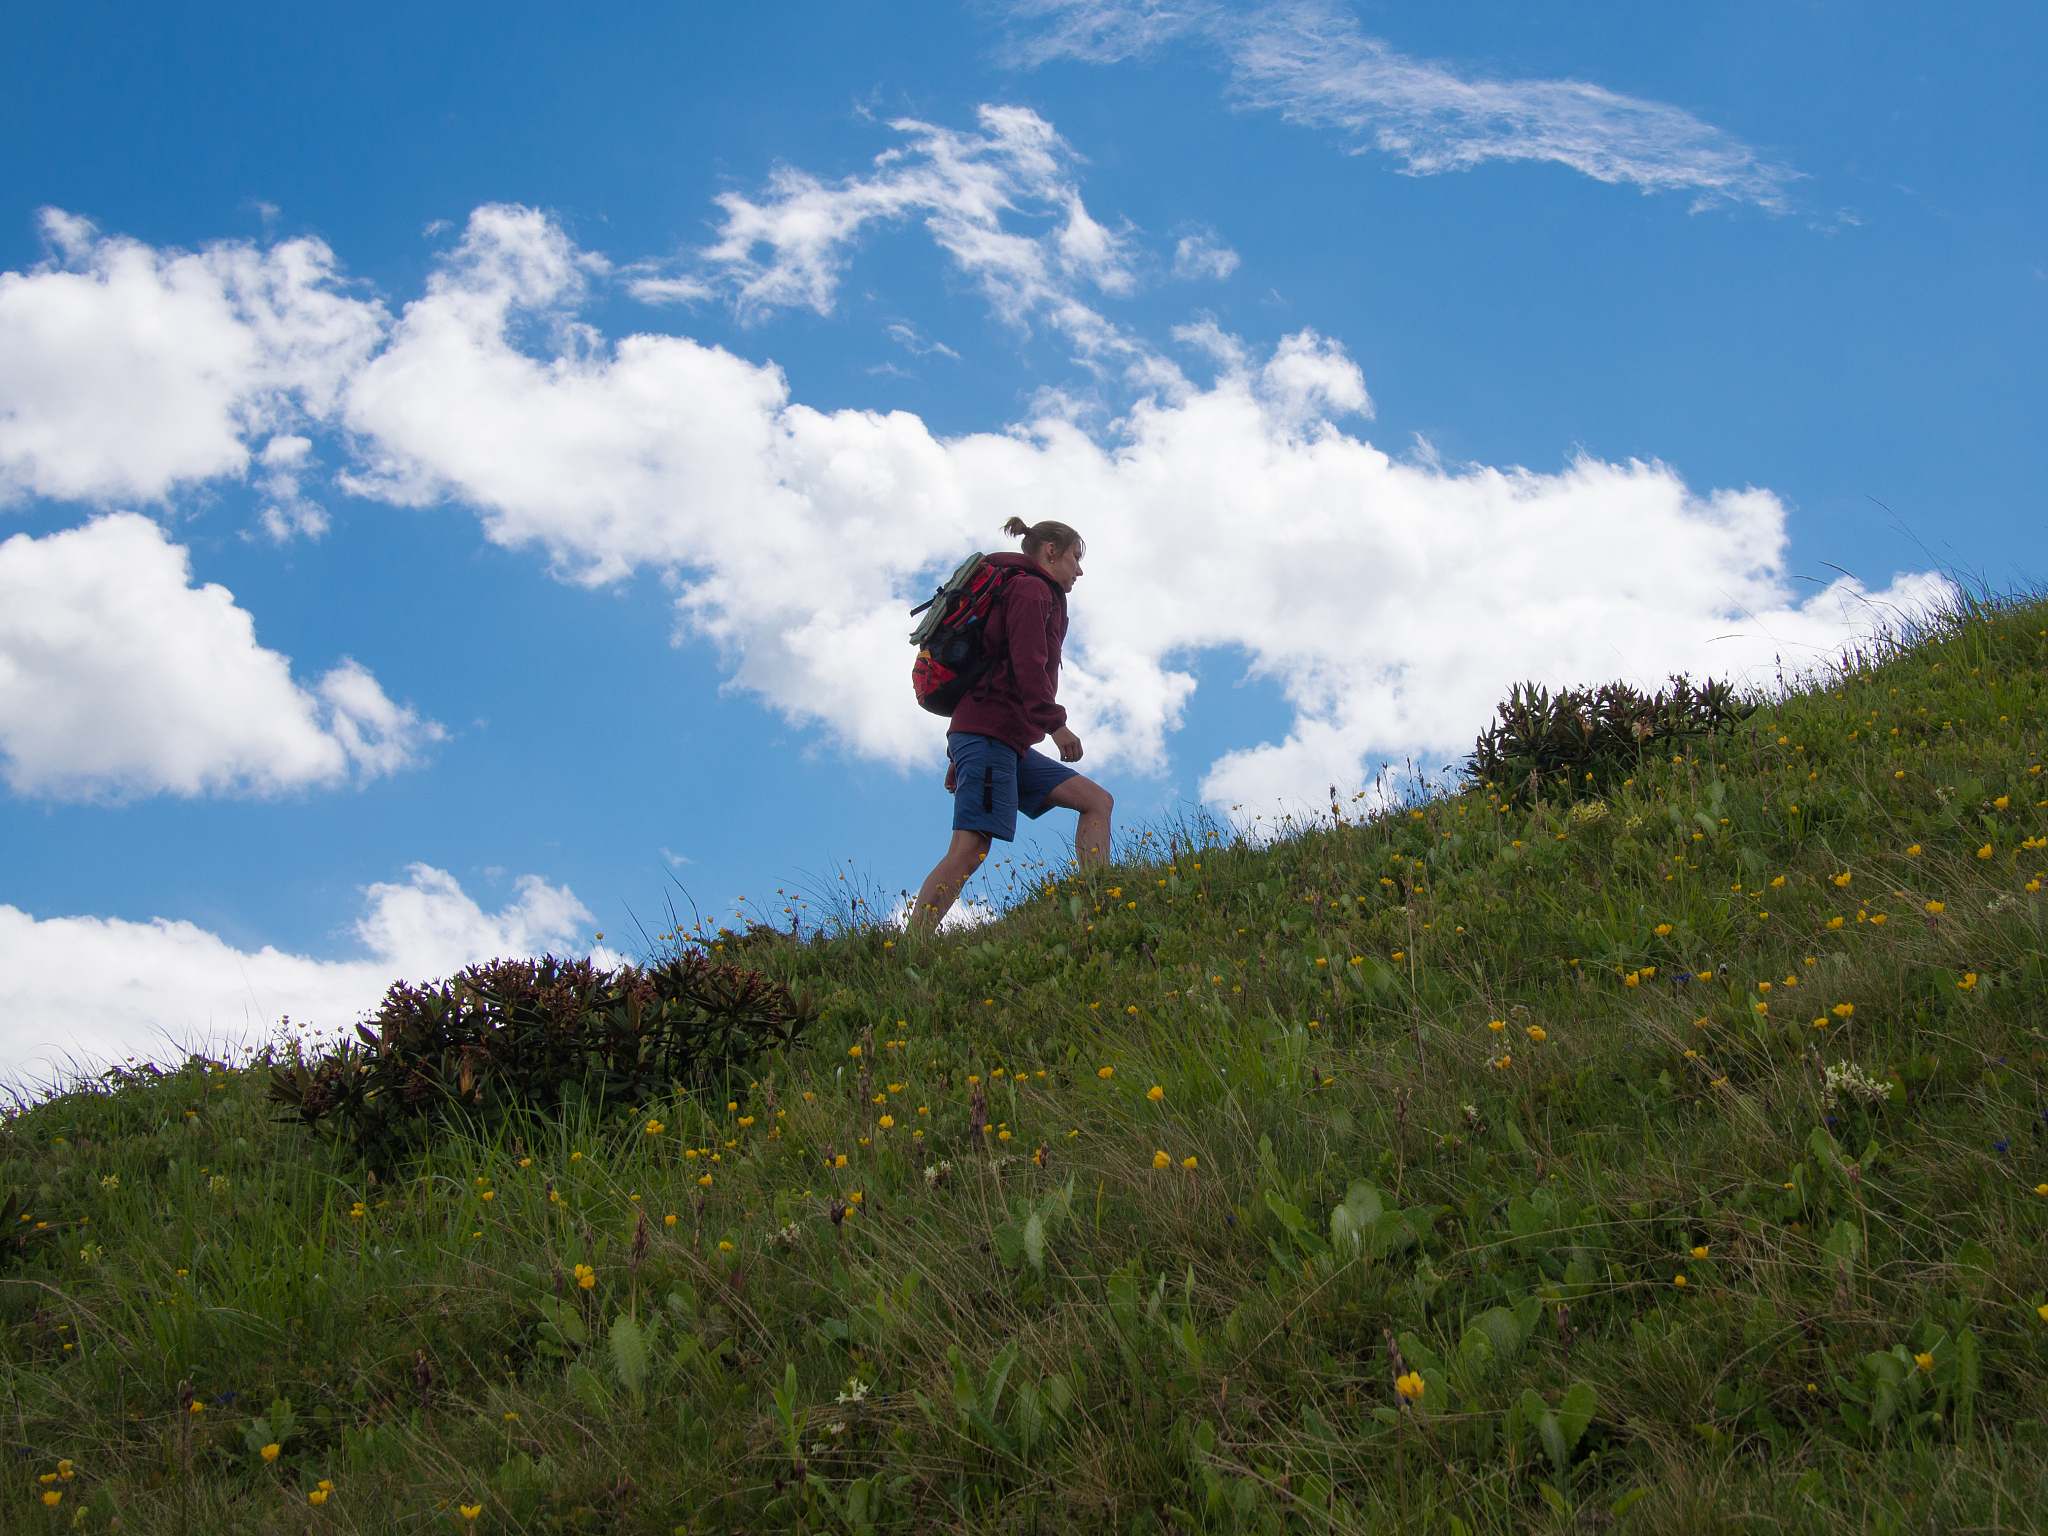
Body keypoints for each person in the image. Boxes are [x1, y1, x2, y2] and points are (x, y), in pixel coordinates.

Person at [911, 517, 1114, 928]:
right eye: (1075, 556)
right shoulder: (1032, 589)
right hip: (989, 734)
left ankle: (1096, 900)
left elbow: (996, 668)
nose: (1079, 569)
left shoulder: (1035, 592)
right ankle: (912, 944)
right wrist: (1055, 725)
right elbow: (1027, 665)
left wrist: (963, 752)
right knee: (970, 847)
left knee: (1097, 802)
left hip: (1000, 740)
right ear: (1050, 550)